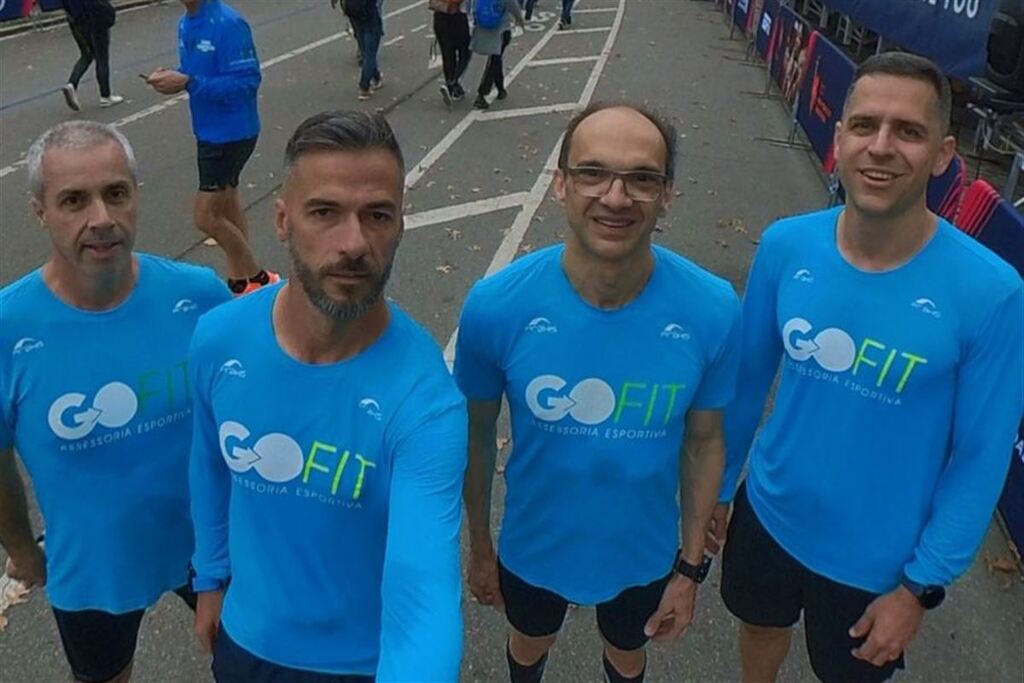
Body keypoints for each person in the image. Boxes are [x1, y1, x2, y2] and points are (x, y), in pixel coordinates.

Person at [716, 52, 1024, 683]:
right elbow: (746, 385)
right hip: (769, 513)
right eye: (865, 125)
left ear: (943, 155)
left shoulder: (992, 291)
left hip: (878, 564)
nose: (881, 147)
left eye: (907, 132)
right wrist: (717, 489)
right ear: (840, 136)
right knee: (760, 628)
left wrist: (920, 587)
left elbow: (981, 455)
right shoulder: (786, 244)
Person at [456, 103, 742, 683]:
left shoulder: (711, 308)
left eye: (642, 178)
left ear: (667, 195)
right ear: (560, 184)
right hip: (534, 544)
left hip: (644, 552)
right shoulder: (497, 305)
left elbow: (706, 440)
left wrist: (689, 571)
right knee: (530, 642)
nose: (616, 197)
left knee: (626, 652)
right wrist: (480, 546)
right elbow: (476, 435)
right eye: (593, 173)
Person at [188, 110, 466, 682]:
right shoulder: (219, 339)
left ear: (400, 226)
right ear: (284, 220)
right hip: (243, 643)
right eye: (325, 212)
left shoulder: (425, 401)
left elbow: (424, 591)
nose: (354, 243)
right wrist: (211, 578)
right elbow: (209, 463)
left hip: (363, 665)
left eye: (378, 216)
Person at [0, 120, 230, 683]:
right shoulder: (8, 327)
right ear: (40, 211)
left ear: (134, 196)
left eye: (115, 194)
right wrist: (22, 547)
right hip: (93, 569)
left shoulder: (198, 296)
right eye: (74, 200)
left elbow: (247, 408)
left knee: (249, 667)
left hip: (212, 549)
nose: (100, 218)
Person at [145, 0, 278, 297]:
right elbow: (197, 73)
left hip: (230, 133)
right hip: (208, 130)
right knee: (228, 201)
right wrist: (172, 77)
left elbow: (248, 82)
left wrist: (190, 82)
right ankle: (240, 280)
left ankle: (259, 277)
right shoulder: (186, 22)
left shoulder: (228, 23)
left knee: (205, 216)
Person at [60, 0, 123, 110]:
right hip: (95, 19)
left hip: (76, 21)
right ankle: (105, 95)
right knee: (102, 57)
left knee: (87, 54)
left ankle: (72, 83)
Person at [471, 0, 525, 110]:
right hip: (501, 29)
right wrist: (520, 21)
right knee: (495, 61)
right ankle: (482, 93)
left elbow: (472, 7)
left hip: (484, 28)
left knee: (496, 58)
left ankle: (500, 89)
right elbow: (513, 6)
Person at [431, 0, 471, 107]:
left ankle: (451, 86)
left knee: (447, 55)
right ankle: (453, 82)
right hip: (456, 16)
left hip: (439, 17)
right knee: (466, 52)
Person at [344, 0, 386, 100]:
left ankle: (376, 77)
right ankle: (364, 86)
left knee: (365, 50)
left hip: (354, 13)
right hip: (369, 13)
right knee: (370, 53)